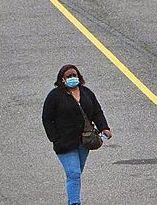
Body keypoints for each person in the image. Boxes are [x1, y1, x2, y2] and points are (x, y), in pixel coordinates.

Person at [42, 64, 112, 205]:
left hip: (84, 142)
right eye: (69, 76)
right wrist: (55, 139)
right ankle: (74, 203)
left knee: (75, 174)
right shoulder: (54, 96)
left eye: (74, 75)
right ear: (62, 79)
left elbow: (97, 111)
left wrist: (104, 127)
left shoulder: (86, 93)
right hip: (64, 143)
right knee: (74, 173)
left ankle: (72, 200)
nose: (72, 78)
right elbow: (47, 119)